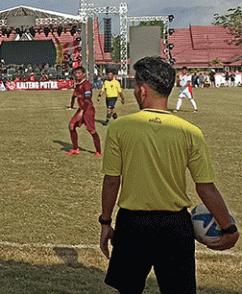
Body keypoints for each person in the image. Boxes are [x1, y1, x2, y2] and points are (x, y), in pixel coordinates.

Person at [99, 56, 238, 294]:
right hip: (175, 226)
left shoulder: (119, 128)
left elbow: (112, 180)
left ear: (142, 90)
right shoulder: (190, 132)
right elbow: (205, 186)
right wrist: (229, 229)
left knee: (128, 290)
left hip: (132, 224)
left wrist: (105, 222)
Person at [67, 66, 102, 156]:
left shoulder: (86, 84)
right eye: (76, 73)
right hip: (81, 108)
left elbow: (87, 99)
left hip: (88, 109)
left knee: (91, 130)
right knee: (71, 126)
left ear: (83, 74)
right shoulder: (78, 84)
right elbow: (76, 95)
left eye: (79, 73)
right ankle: (75, 148)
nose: (77, 75)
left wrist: (81, 111)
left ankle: (98, 151)